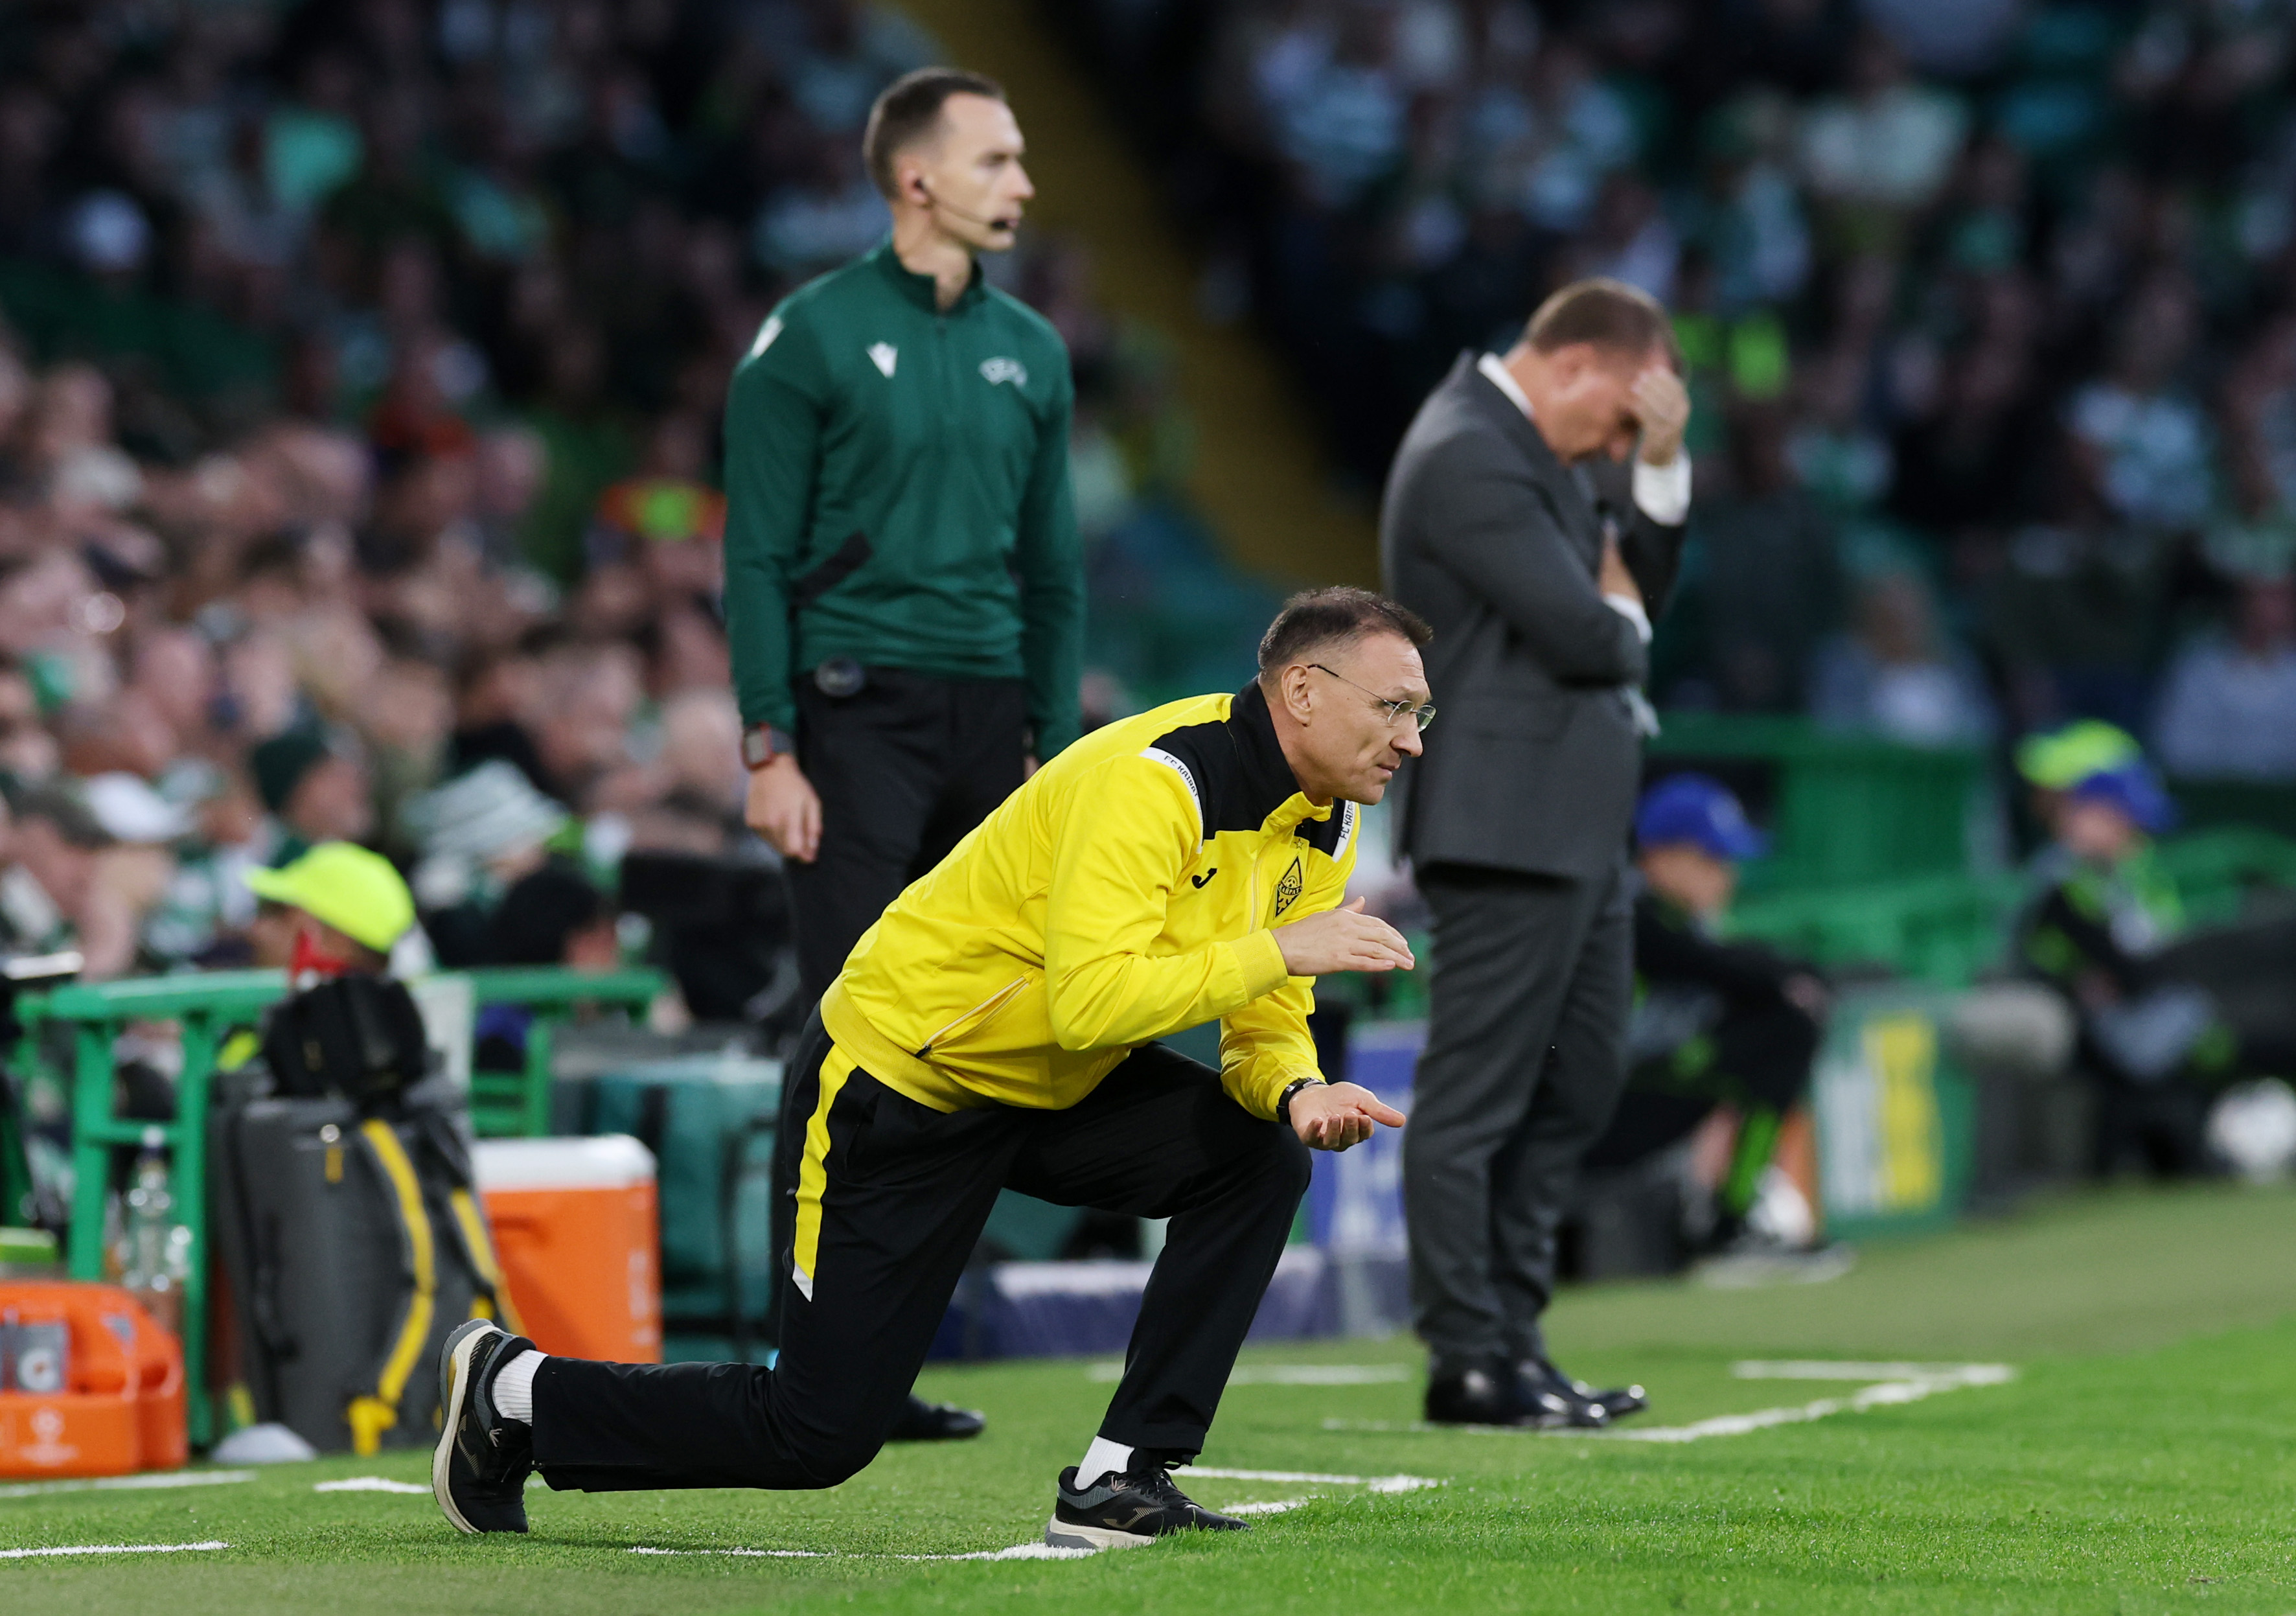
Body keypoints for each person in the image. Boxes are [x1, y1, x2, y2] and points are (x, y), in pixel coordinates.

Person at [430, 588, 1421, 1549]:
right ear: (1301, 690)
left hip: (1046, 1080)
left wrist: (1295, 1088)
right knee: (813, 1434)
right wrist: (1281, 951)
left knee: (1258, 1159)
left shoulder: (1321, 816)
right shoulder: (1157, 780)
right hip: (904, 1076)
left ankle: (1123, 1474)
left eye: (1419, 714)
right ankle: (513, 1391)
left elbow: (1262, 1020)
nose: (1412, 738)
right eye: (1393, 708)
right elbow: (1093, 1002)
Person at [724, 65, 1085, 1443]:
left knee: (976, 1035)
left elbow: (1053, 575)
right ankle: (802, 1359)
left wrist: (1050, 752)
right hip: (850, 718)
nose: (1024, 185)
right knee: (843, 1031)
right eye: (997, 160)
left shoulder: (1034, 353)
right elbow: (752, 553)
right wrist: (769, 741)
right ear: (915, 178)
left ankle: (886, 1357)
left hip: (991, 720)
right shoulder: (807, 338)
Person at [1381, 277, 1692, 1429]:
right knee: (1474, 1100)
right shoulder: (1468, 447)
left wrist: (1654, 477)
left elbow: (1625, 604)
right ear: (1571, 366)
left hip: (1571, 818)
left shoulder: (1535, 449)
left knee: (1574, 1084)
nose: (1615, 449)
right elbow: (1586, 635)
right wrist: (1614, 613)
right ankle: (1465, 1356)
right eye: (1619, 423)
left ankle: (1515, 1338)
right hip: (1502, 820)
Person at [2013, 746, 2296, 1175]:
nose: (2137, 836)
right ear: (2084, 815)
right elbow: (2136, 971)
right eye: (2125, 821)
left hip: (2151, 1017)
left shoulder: (2122, 879)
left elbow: (2157, 957)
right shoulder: (2062, 888)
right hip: (2114, 1032)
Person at [1581, 775, 1829, 1255]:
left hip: (1637, 1093)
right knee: (1788, 1029)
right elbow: (1706, 962)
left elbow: (1735, 960)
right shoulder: (1624, 914)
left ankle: (1732, 1217)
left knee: (1786, 1026)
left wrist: (1798, 981)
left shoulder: (1687, 920)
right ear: (1662, 857)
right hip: (1594, 1111)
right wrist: (1791, 982)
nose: (1728, 875)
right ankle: (1728, 1224)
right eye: (1713, 859)